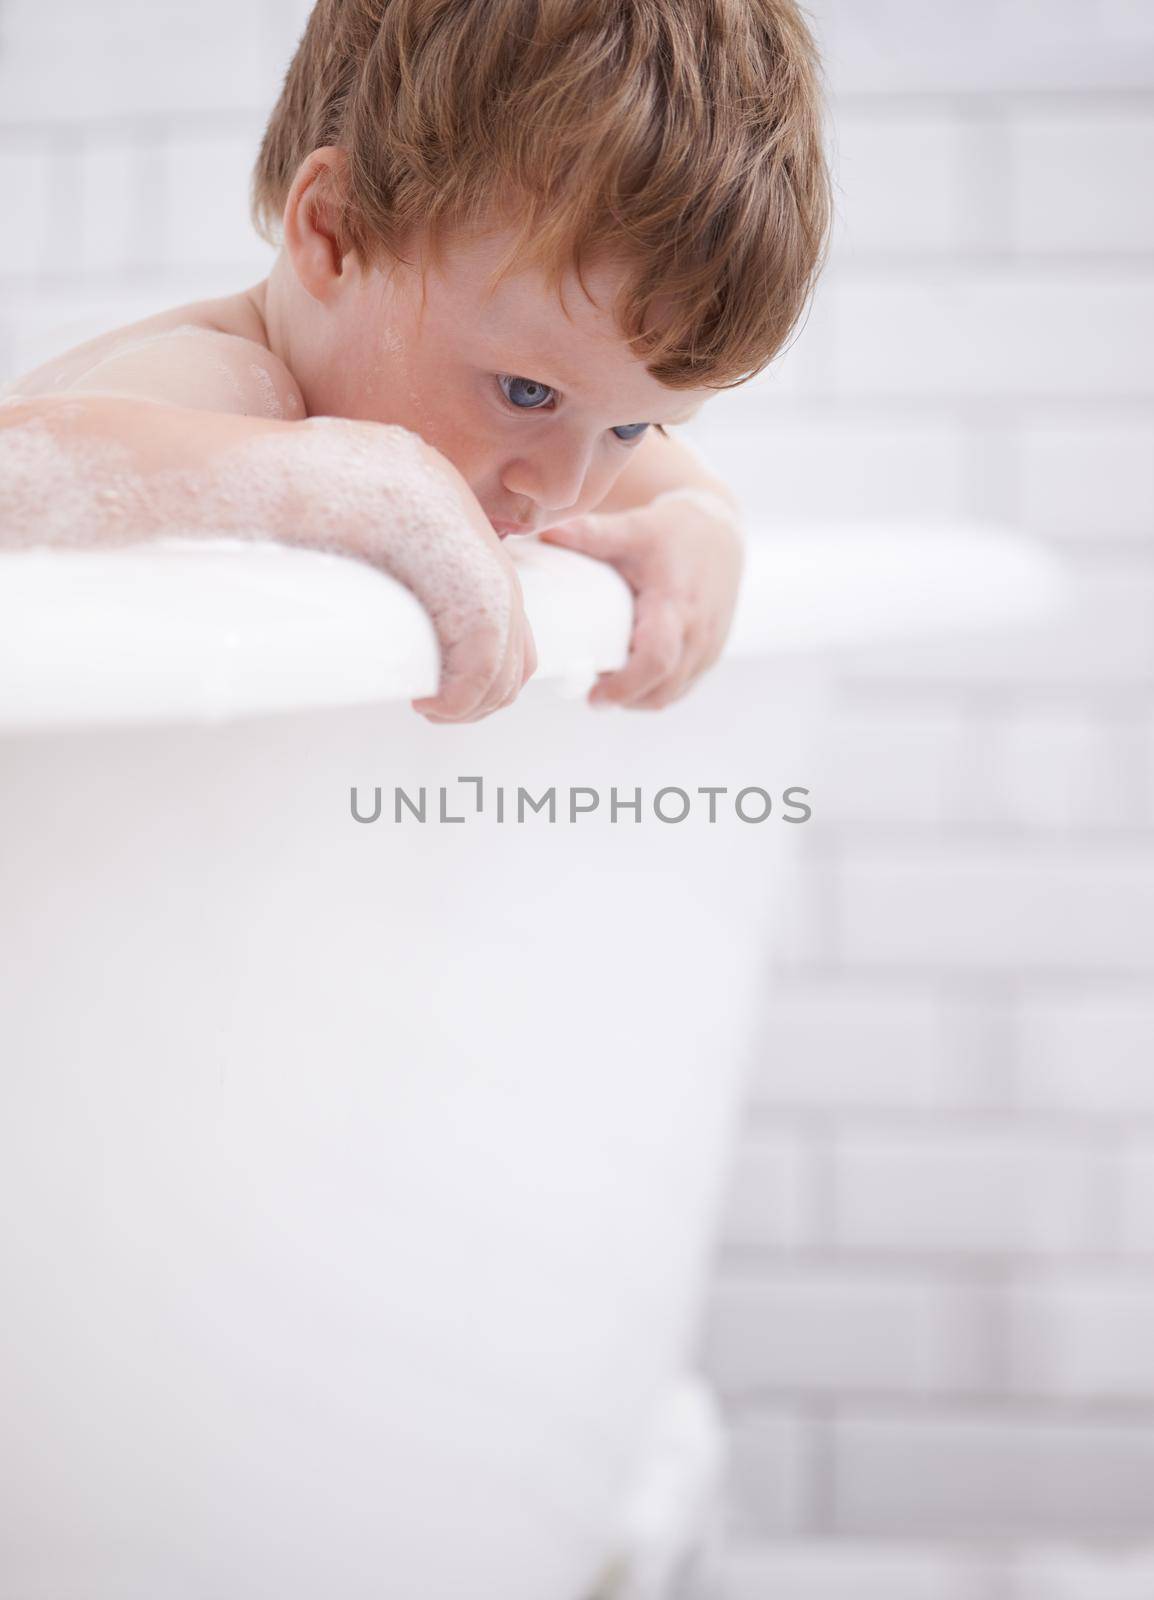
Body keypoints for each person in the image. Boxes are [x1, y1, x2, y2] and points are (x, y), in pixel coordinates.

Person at [0, 0, 832, 723]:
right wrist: (361, 483)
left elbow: (680, 487)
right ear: (336, 232)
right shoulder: (224, 380)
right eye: (525, 391)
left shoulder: (541, 440)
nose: (563, 491)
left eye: (631, 424)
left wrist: (701, 529)